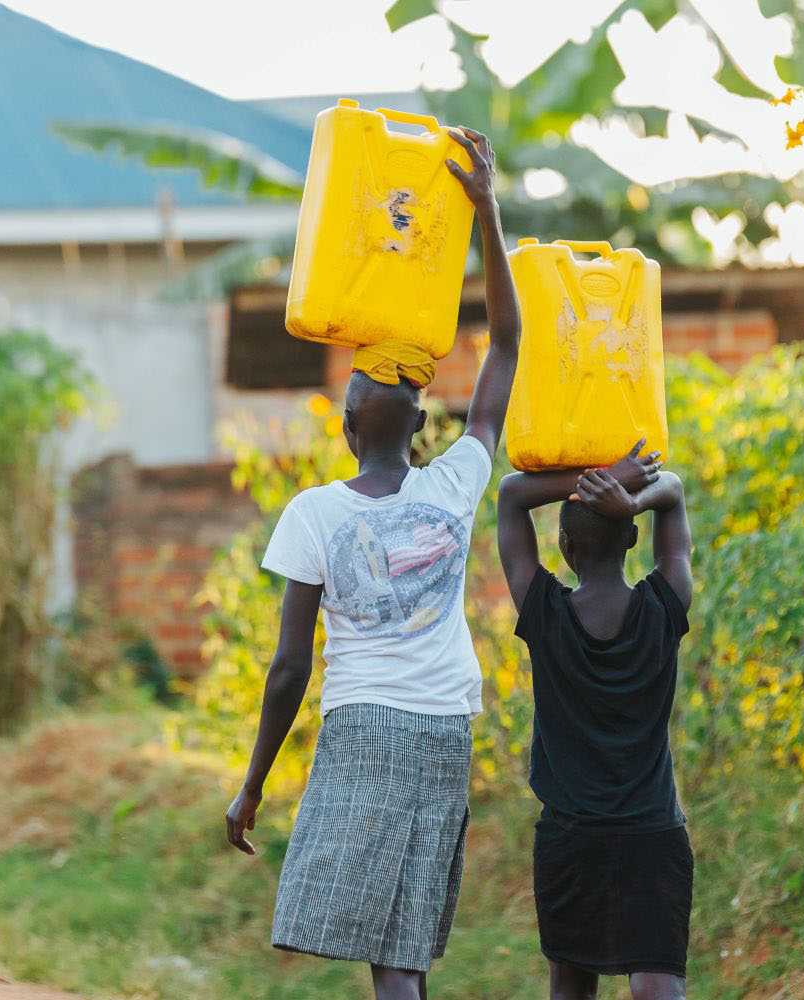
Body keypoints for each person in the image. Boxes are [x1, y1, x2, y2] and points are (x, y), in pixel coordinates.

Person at [222, 126, 652, 999]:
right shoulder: (456, 481)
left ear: (347, 428)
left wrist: (252, 784)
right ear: (423, 427)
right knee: (403, 950)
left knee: (380, 949)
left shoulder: (314, 514)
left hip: (362, 727)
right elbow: (505, 342)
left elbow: (290, 668)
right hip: (443, 729)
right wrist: (486, 209)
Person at [495, 450, 693, 1000]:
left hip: (569, 839)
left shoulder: (544, 614)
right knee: (659, 983)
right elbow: (673, 489)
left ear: (564, 548)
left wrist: (586, 482)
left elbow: (511, 495)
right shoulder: (665, 605)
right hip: (653, 835)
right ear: (633, 539)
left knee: (570, 987)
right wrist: (631, 492)